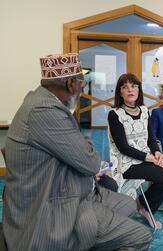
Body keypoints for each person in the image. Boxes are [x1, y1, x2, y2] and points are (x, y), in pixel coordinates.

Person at [3, 53, 152, 251]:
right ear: (71, 84)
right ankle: (83, 235)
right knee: (141, 236)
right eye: (82, 83)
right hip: (57, 206)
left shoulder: (37, 99)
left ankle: (95, 235)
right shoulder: (46, 111)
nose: (82, 89)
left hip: (75, 188)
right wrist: (76, 125)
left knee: (129, 205)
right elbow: (90, 161)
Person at [108, 73, 163, 230]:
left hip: (146, 158)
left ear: (138, 90)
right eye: (125, 87)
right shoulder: (115, 114)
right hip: (126, 163)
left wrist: (157, 153)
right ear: (120, 92)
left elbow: (151, 138)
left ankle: (144, 204)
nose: (130, 89)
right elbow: (123, 147)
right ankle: (146, 207)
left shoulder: (144, 111)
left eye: (134, 86)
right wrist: (151, 158)